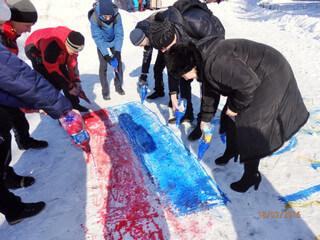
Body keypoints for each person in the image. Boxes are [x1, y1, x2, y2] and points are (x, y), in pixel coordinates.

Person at [166, 39, 309, 193]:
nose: (185, 78)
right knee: (228, 115)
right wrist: (205, 119)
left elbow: (249, 85)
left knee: (251, 122)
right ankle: (232, 150)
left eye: (183, 75)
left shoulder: (216, 63)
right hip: (253, 75)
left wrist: (235, 106)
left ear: (189, 66)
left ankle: (251, 175)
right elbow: (210, 90)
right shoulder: (202, 61)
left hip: (270, 74)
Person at [0, 0, 73, 225]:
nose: (29, 30)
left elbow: (6, 84)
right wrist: (59, 106)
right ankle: (12, 208)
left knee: (5, 139)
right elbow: (18, 77)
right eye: (27, 24)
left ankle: (6, 176)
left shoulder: (8, 36)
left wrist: (27, 104)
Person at [148, 0, 225, 137]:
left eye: (165, 48)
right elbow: (172, 68)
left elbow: (215, 51)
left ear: (173, 38)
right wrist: (173, 95)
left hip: (211, 39)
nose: (163, 51)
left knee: (206, 80)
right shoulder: (165, 35)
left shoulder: (197, 23)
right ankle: (188, 113)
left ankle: (202, 120)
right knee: (184, 79)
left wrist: (200, 70)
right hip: (188, 42)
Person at [0, 0, 48, 150]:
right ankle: (5, 172)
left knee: (18, 118)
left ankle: (24, 141)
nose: (28, 30)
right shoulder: (3, 36)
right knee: (6, 124)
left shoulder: (9, 33)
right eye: (27, 25)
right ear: (14, 21)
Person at [24, 26, 88, 112]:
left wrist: (76, 80)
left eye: (77, 51)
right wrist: (68, 86)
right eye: (74, 51)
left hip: (57, 50)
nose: (76, 53)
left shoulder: (73, 42)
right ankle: (60, 111)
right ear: (67, 45)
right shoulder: (51, 47)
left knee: (67, 79)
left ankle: (74, 105)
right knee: (51, 83)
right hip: (35, 48)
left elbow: (72, 63)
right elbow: (53, 71)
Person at [89, 0, 125, 100]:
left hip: (114, 40)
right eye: (105, 16)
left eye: (110, 16)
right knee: (103, 65)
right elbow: (97, 38)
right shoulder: (94, 18)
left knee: (118, 63)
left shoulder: (117, 16)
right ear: (101, 13)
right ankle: (105, 91)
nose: (108, 18)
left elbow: (119, 34)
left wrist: (117, 51)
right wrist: (106, 55)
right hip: (102, 42)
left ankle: (118, 86)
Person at [129, 13, 166, 100]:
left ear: (144, 38)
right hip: (161, 43)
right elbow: (147, 55)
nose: (141, 46)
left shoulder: (154, 31)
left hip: (168, 41)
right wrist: (143, 74)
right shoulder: (143, 33)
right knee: (157, 68)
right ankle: (159, 91)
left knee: (172, 70)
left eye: (141, 44)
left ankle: (174, 98)